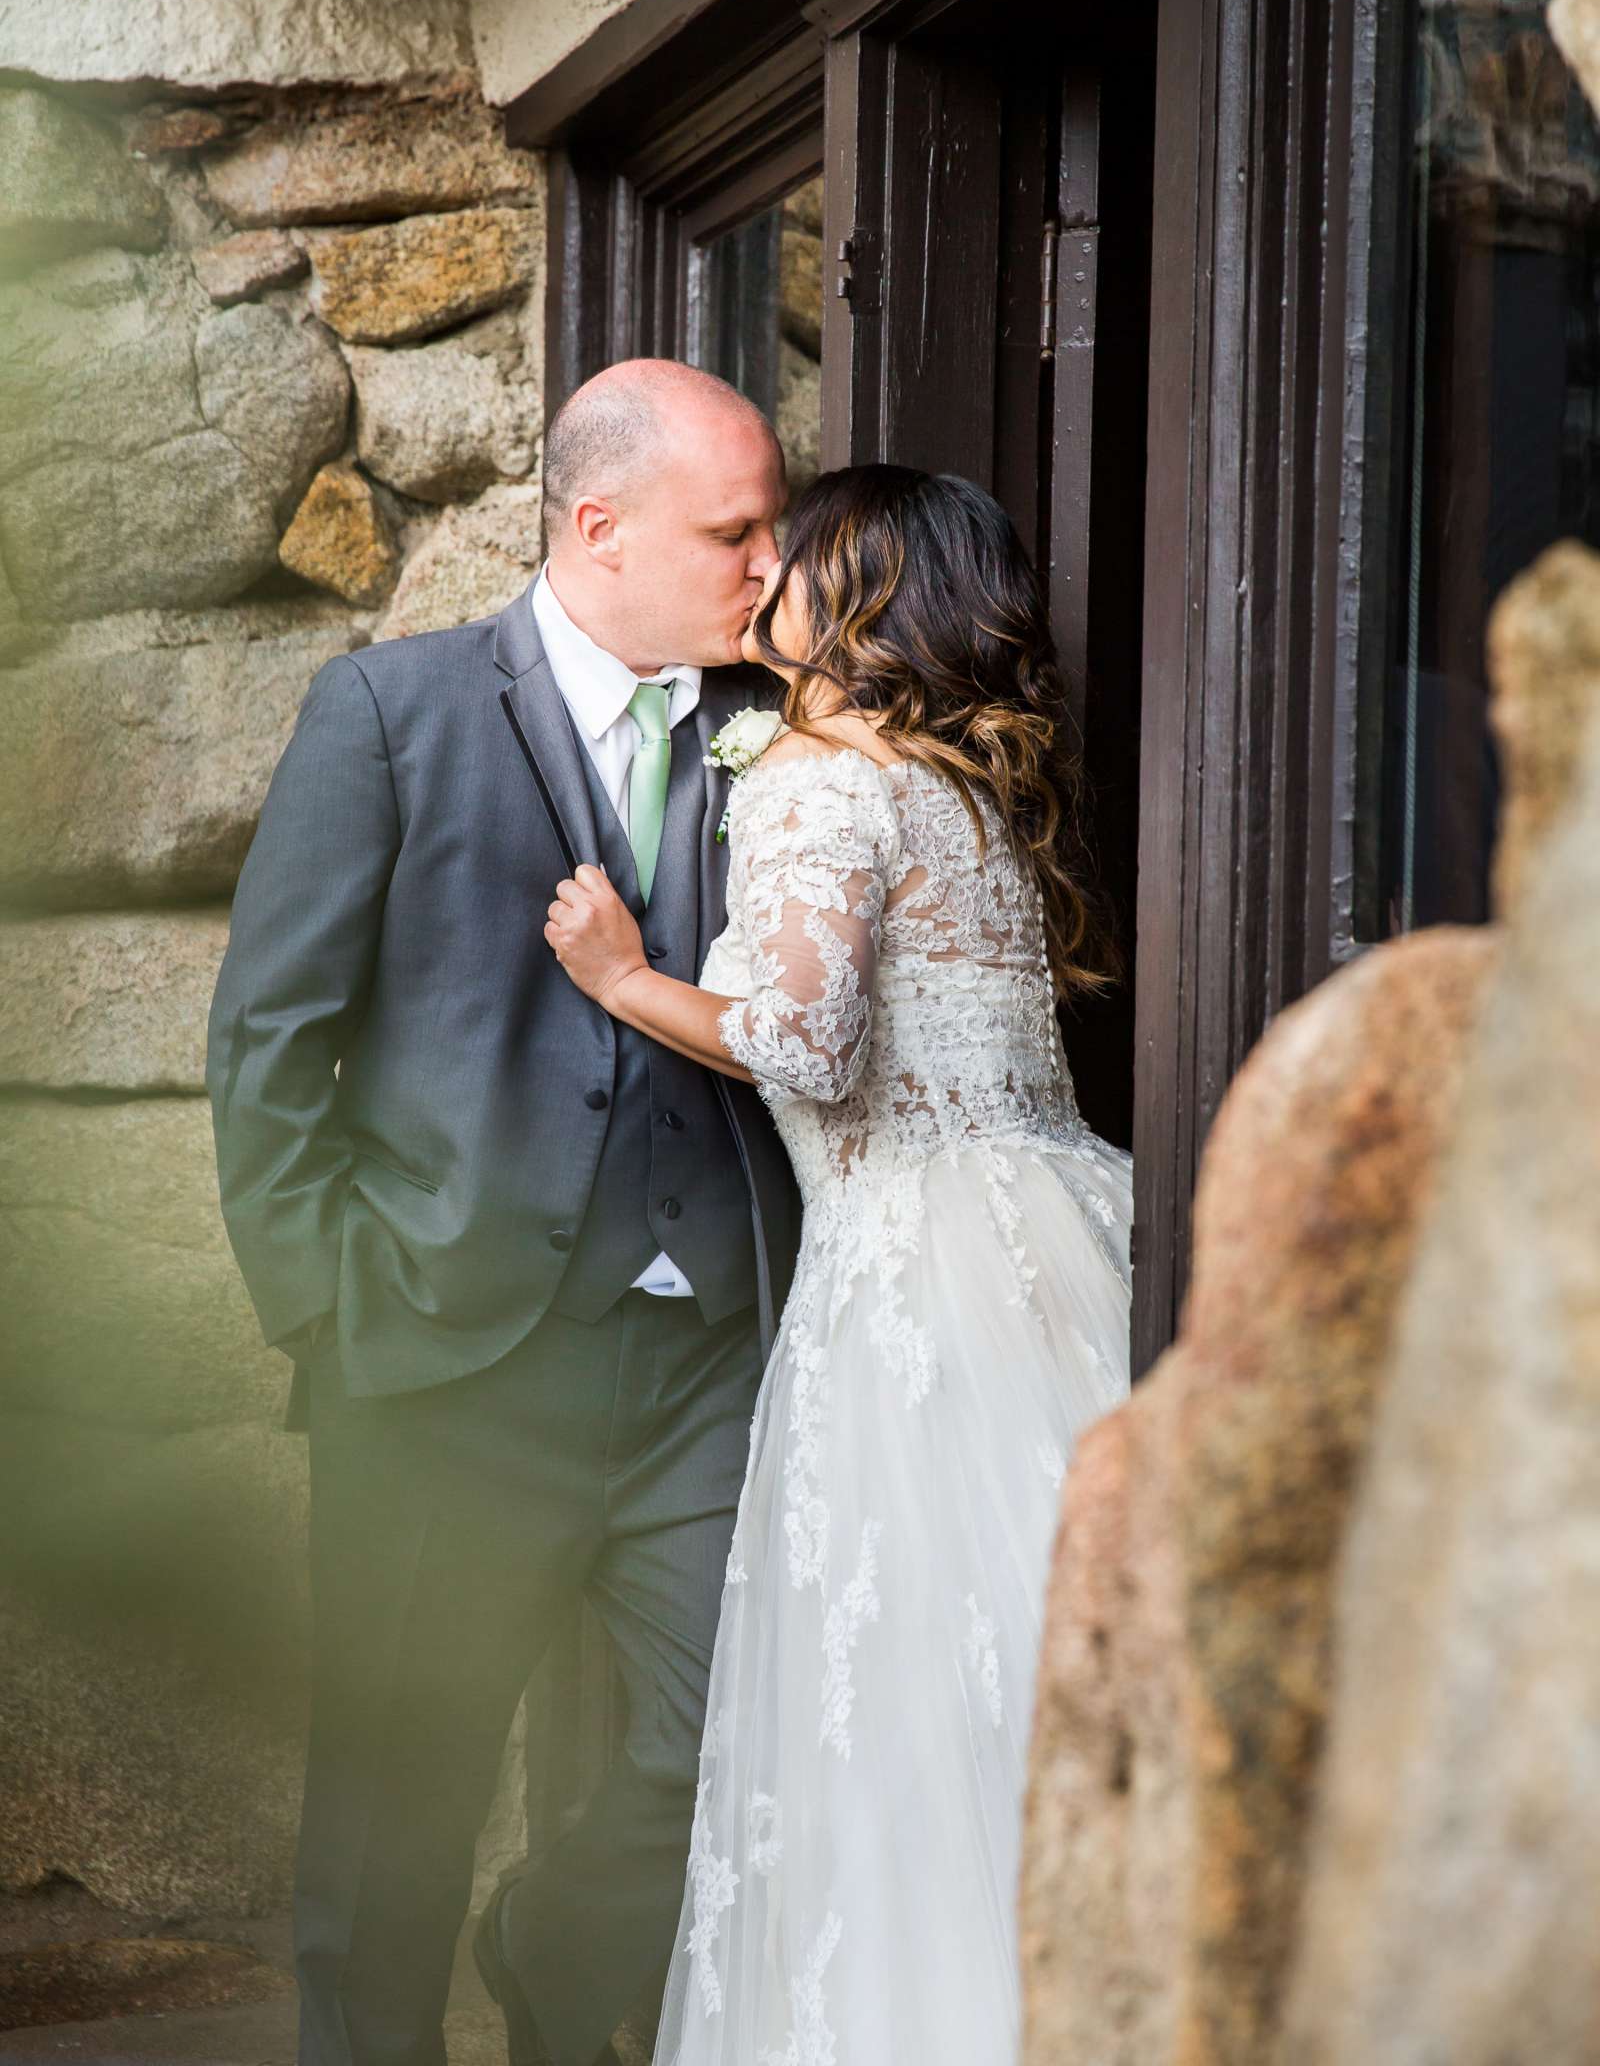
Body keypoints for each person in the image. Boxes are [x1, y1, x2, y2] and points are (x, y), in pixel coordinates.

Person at [206, 359, 802, 2066]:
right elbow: (268, 1039)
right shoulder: (388, 714)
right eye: (735, 531)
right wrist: (335, 1310)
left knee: (729, 1745)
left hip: (708, 1369)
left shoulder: (778, 732)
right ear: (597, 528)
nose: (769, 568)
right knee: (397, 1818)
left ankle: (548, 1957)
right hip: (447, 1372)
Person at [545, 463, 1135, 2064]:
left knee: (915, 1695)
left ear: (857, 589)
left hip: (911, 1271)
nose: (758, 578)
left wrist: (621, 978)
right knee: (1038, 1657)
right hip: (1060, 1234)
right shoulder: (956, 772)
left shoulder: (813, 770)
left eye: (785, 555)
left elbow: (801, 1034)